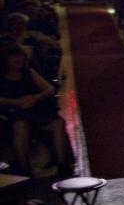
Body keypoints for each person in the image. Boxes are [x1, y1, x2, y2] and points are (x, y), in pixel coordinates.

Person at [0, 45, 72, 176]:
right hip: (13, 111)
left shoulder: (29, 73)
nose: (19, 60)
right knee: (20, 126)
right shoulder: (2, 78)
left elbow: (49, 89)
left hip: (34, 108)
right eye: (14, 58)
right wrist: (16, 101)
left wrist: (35, 97)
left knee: (57, 123)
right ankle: (23, 167)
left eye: (20, 57)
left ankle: (62, 164)